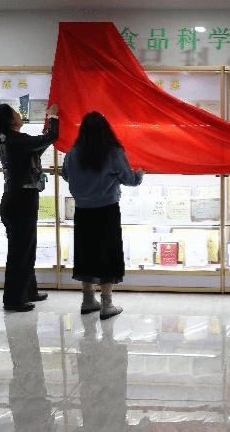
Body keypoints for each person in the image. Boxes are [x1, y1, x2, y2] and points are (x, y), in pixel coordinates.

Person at [62, 111, 143, 320]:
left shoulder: (72, 153)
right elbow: (129, 179)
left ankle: (88, 300)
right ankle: (107, 304)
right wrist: (140, 174)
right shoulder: (113, 152)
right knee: (108, 253)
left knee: (85, 253)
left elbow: (66, 175)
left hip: (82, 210)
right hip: (107, 210)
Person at [0, 102, 59, 312]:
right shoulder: (16, 140)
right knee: (20, 252)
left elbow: (38, 147)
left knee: (25, 249)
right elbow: (51, 137)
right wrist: (53, 118)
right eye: (14, 112)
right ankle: (13, 299)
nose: (19, 114)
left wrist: (47, 133)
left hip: (16, 199)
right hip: (21, 200)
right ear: (11, 120)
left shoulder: (12, 139)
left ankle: (28, 291)